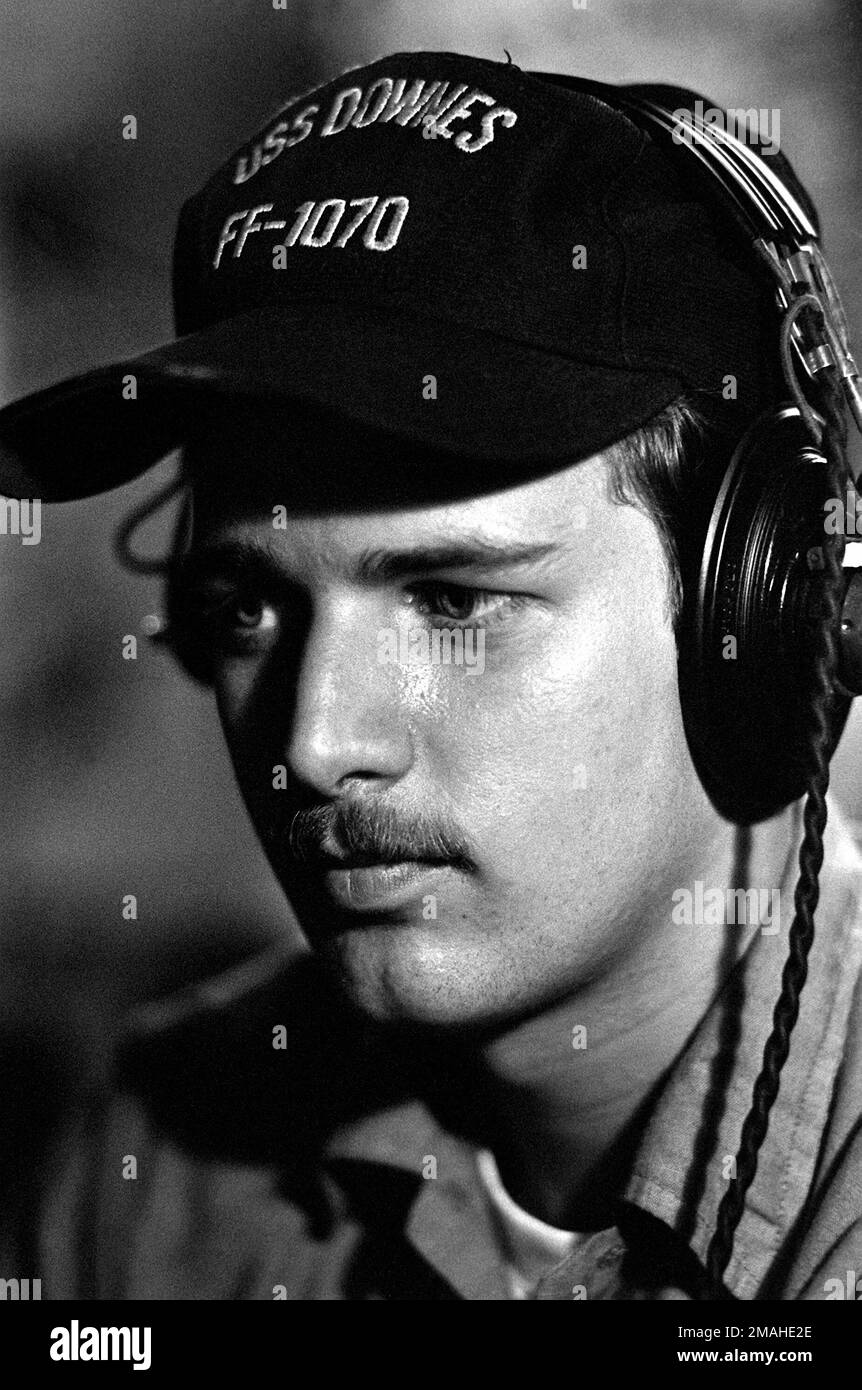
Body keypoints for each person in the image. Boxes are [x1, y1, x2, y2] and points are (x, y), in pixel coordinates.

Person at [2, 50, 861, 1301]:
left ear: (776, 610)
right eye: (246, 607)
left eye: (455, 601)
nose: (313, 737)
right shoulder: (166, 1150)